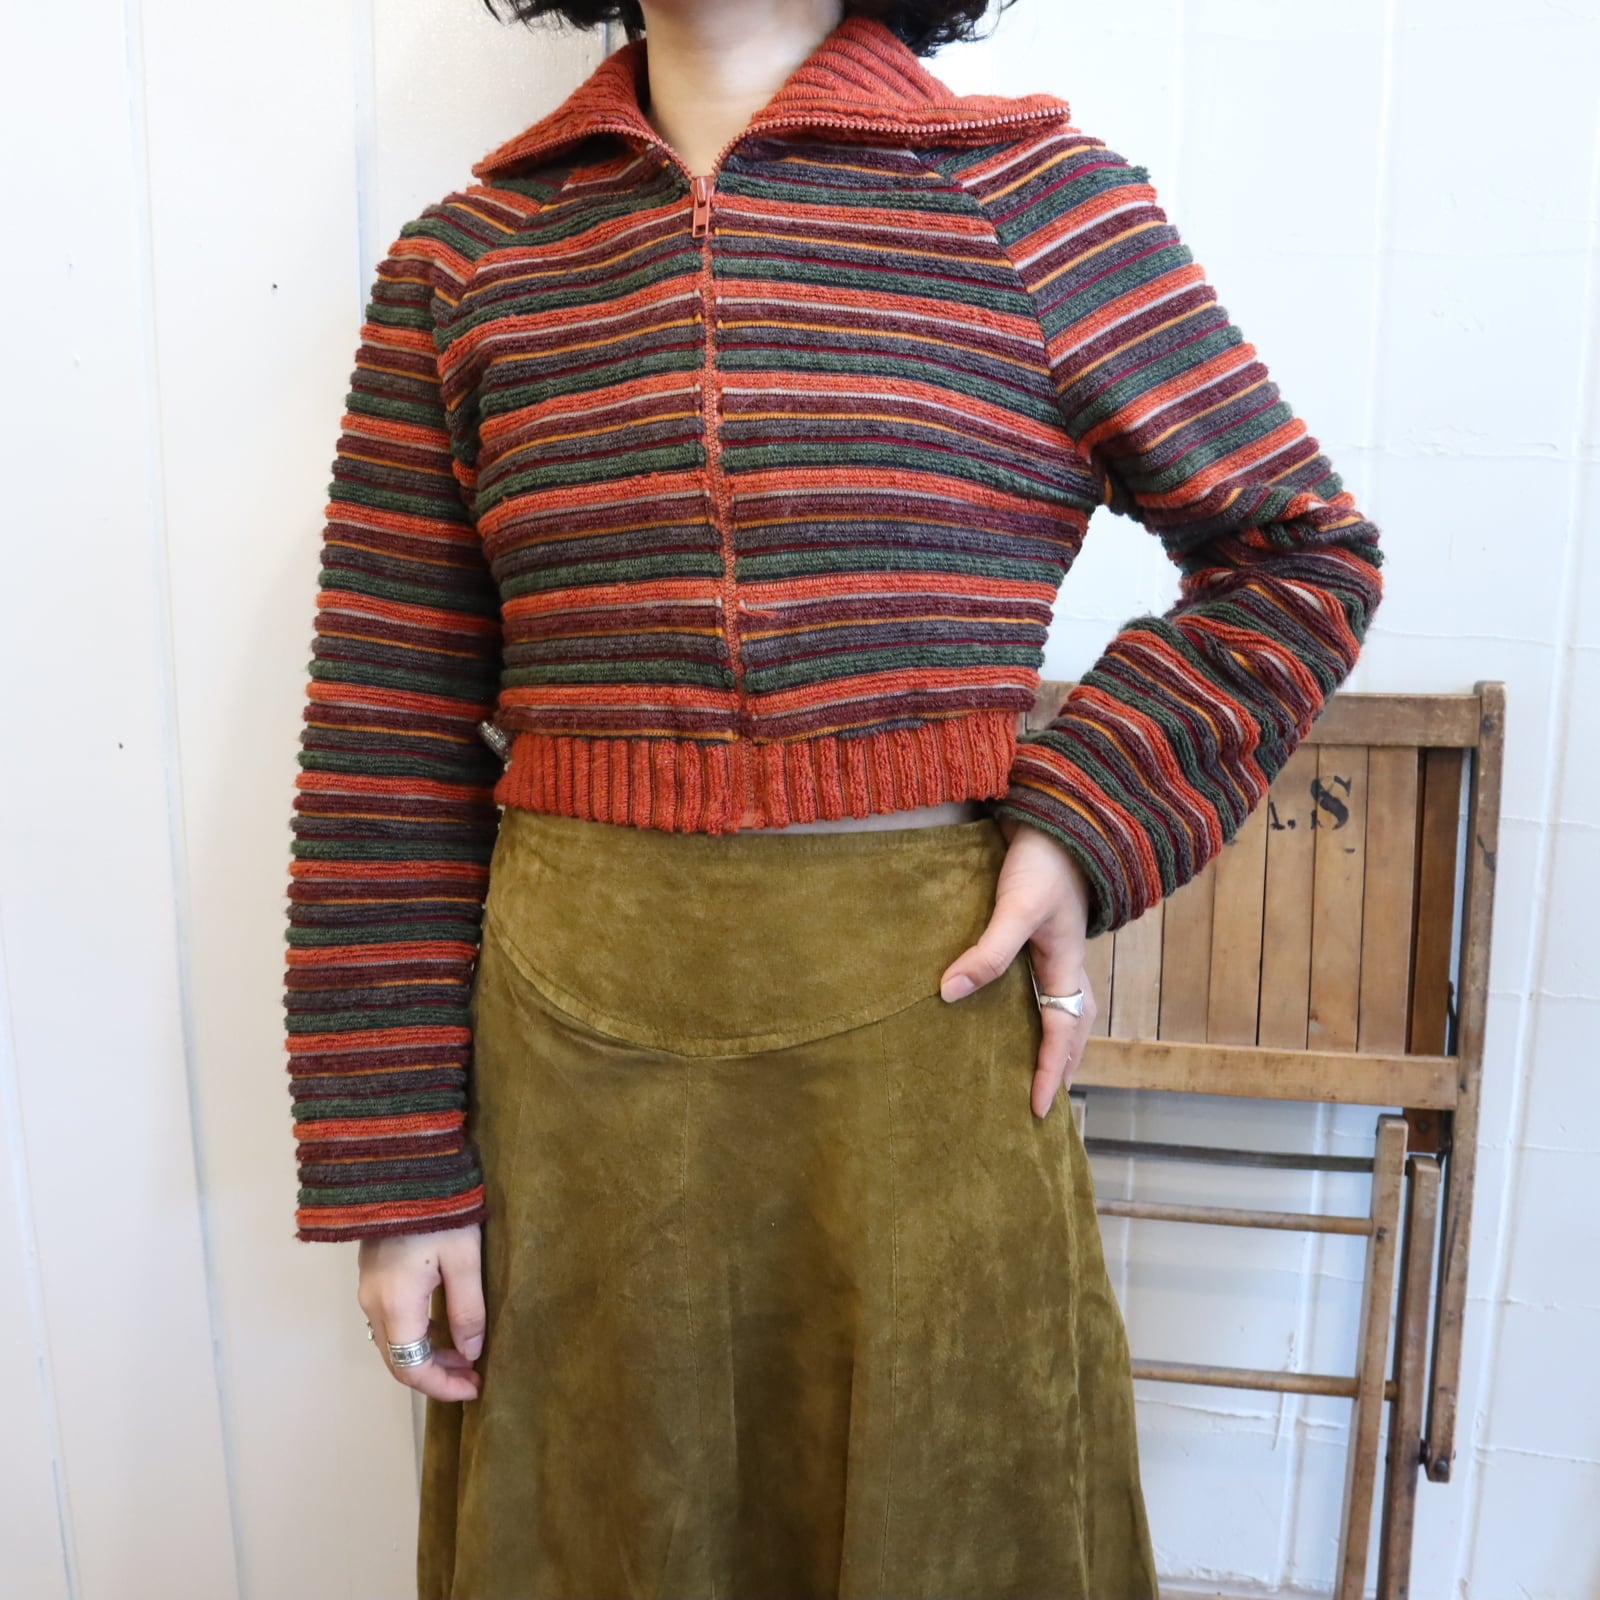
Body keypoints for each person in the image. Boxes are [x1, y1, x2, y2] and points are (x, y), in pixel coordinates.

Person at [279, 0, 1385, 1594]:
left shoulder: (1039, 203)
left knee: (951, 1522)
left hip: (924, 1044)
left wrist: (1084, 819)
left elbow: (1297, 554)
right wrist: (393, 1173)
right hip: (568, 1089)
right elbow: (383, 733)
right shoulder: (468, 261)